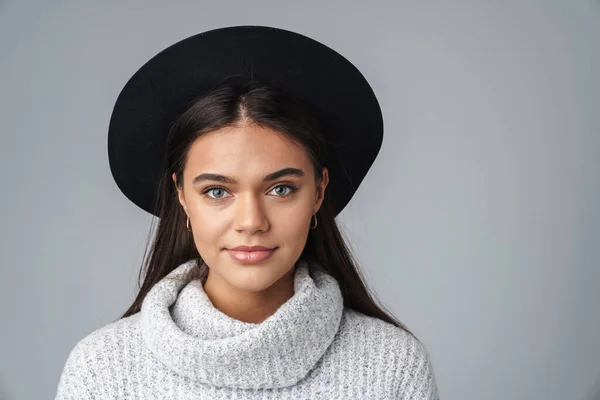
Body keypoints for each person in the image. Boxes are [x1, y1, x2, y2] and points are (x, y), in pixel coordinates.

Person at [55, 25, 440, 399]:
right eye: (217, 191)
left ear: (320, 192)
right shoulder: (102, 370)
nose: (251, 222)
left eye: (281, 189)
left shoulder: (393, 366)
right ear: (182, 197)